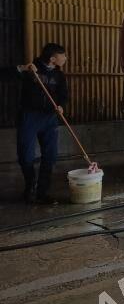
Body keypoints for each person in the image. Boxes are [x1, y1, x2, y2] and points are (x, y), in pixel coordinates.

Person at [7, 43, 69, 203]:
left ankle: (42, 192)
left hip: (49, 118)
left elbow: (63, 95)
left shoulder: (59, 75)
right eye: (63, 56)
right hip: (30, 116)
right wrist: (21, 68)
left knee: (50, 156)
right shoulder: (31, 70)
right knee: (25, 156)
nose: (65, 59)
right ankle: (30, 185)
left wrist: (61, 106)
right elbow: (4, 75)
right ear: (53, 58)